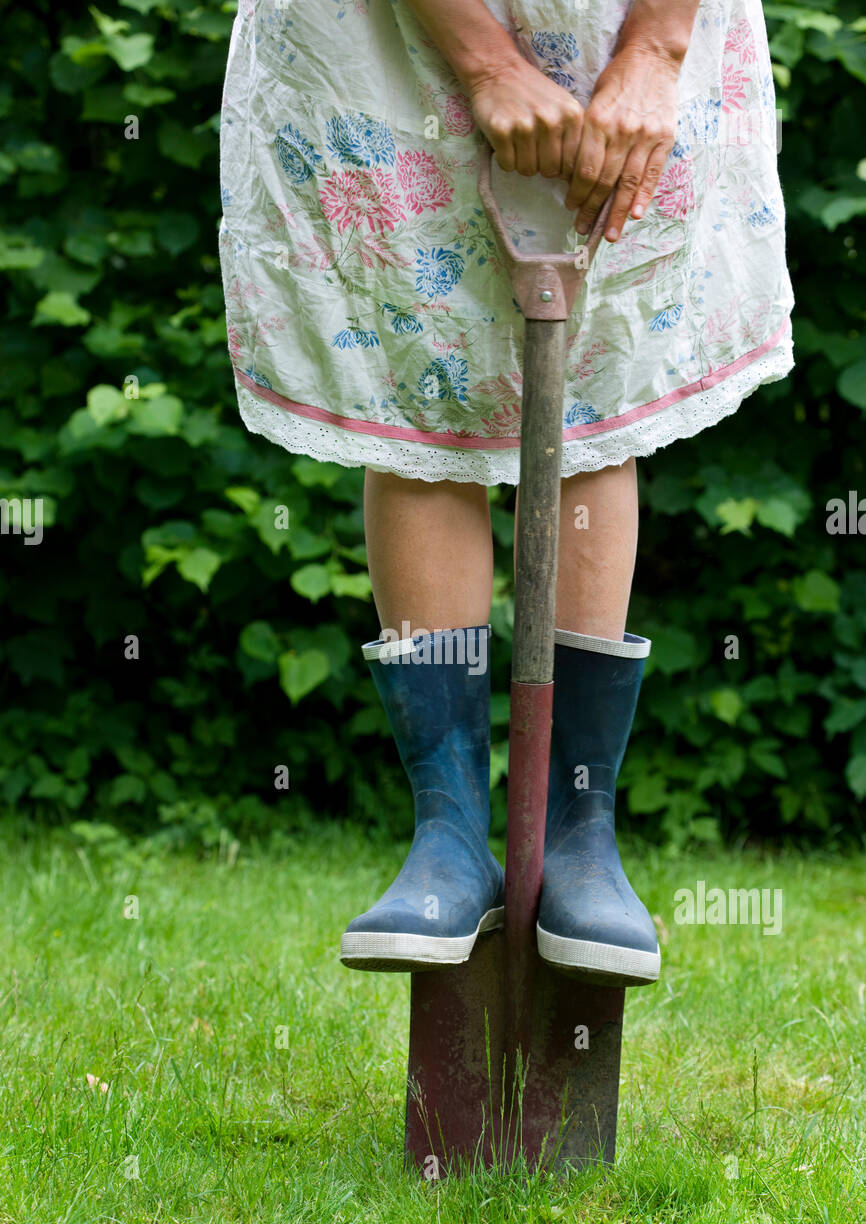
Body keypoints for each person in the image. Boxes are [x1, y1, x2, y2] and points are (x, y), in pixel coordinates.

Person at [219, 0, 794, 983]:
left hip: (624, 28)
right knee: (415, 384)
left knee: (594, 384)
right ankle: (446, 833)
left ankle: (579, 831)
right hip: (381, 36)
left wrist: (654, 50)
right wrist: (480, 60)